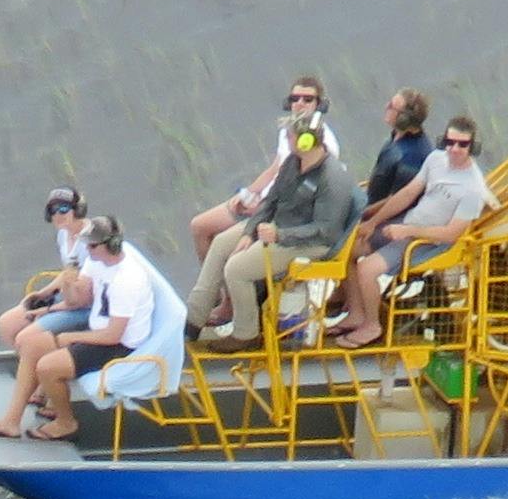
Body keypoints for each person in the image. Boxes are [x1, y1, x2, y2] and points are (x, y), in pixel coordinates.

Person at [0, 215, 182, 440]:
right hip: (99, 332)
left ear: (109, 245)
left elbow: (114, 335)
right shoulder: (97, 261)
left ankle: (65, 422)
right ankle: (11, 421)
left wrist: (69, 337)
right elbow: (78, 302)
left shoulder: (127, 280)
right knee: (31, 343)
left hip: (119, 345)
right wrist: (69, 284)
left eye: (91, 245)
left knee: (48, 367)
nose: (87, 249)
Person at [189, 113, 362, 343]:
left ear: (305, 141)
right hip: (281, 229)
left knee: (236, 269)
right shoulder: (293, 162)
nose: (286, 140)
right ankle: (193, 318)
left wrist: (279, 234)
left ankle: (245, 333)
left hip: (310, 243)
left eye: (290, 136)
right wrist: (250, 232)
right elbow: (271, 200)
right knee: (221, 243)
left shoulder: (333, 177)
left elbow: (326, 231)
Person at [327, 111, 491, 344]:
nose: (454, 149)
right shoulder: (435, 159)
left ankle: (372, 326)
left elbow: (451, 233)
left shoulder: (473, 188)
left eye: (462, 144)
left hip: (428, 241)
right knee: (347, 249)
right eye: (449, 142)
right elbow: (407, 193)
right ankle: (356, 313)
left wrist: (408, 231)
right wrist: (373, 222)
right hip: (408, 224)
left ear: (472, 147)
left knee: (367, 270)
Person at [184, 74, 337, 257]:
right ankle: (216, 286)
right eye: (295, 99)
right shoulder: (289, 132)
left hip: (276, 215)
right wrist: (248, 194)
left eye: (308, 99)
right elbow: (274, 169)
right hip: (262, 203)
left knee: (226, 249)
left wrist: (261, 207)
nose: (300, 103)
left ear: (320, 105)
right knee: (199, 226)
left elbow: (305, 196)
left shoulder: (325, 145)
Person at [0, 185, 97, 354]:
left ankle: (43, 367)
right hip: (68, 294)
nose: (58, 215)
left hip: (86, 306)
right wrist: (43, 293)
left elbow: (83, 299)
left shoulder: (91, 242)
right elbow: (68, 273)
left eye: (64, 209)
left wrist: (47, 310)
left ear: (78, 210)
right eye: (53, 210)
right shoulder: (63, 234)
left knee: (25, 339)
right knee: (6, 323)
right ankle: (31, 368)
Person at [353, 90, 432, 224]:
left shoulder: (413, 155)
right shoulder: (395, 136)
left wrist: (360, 215)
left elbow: (396, 200)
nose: (386, 107)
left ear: (404, 119)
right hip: (369, 202)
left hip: (387, 218)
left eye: (391, 106)